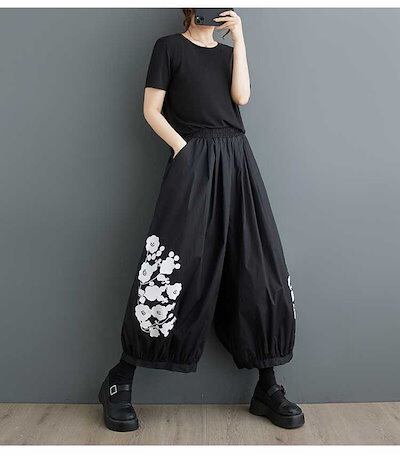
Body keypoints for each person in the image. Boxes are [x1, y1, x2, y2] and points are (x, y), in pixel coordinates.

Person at [98, 8, 305, 432]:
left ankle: (267, 386)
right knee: (173, 265)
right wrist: (183, 149)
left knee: (256, 266)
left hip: (238, 161)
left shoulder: (228, 54)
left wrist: (240, 39)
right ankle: (120, 379)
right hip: (194, 161)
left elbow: (242, 97)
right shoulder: (168, 48)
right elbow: (151, 109)